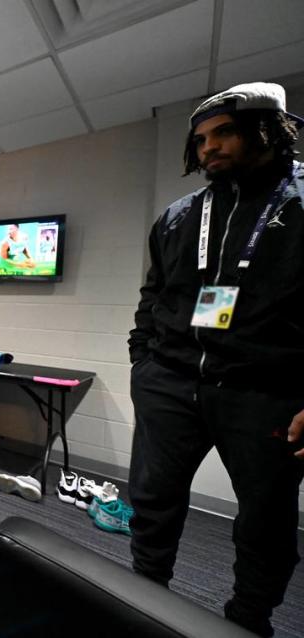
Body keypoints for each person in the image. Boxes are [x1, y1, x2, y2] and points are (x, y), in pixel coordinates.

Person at [127, 82, 304, 636]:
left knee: (265, 525)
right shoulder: (179, 216)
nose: (208, 147)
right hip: (170, 383)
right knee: (152, 503)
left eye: (223, 132)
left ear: (266, 130)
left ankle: (248, 623)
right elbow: (153, 297)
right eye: (200, 138)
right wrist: (143, 366)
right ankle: (143, 600)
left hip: (265, 394)